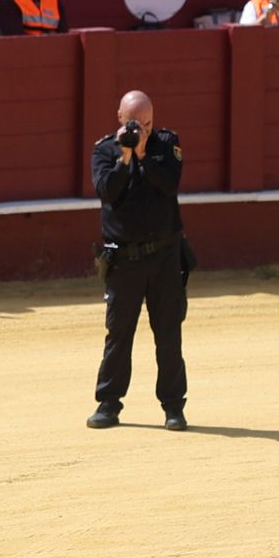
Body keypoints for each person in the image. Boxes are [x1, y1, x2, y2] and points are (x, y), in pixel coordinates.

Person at [87, 90, 192, 432]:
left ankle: (174, 408)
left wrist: (145, 154)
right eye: (136, 124)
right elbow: (108, 191)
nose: (142, 129)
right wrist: (126, 158)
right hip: (124, 258)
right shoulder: (104, 150)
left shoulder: (166, 143)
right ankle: (109, 404)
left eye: (147, 123)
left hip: (164, 256)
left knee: (168, 333)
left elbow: (170, 183)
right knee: (119, 334)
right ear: (120, 118)